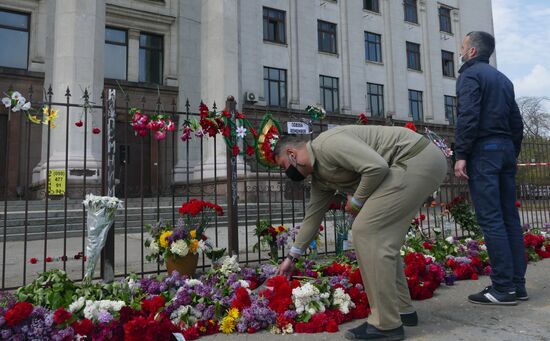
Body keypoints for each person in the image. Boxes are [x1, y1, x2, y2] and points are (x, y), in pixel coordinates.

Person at [275, 125, 447, 340]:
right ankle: (403, 311)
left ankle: (386, 324)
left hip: (415, 158)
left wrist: (356, 201)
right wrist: (292, 257)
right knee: (382, 240)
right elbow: (313, 216)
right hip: (411, 164)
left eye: (284, 166)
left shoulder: (328, 144)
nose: (287, 173)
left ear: (292, 154)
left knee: (367, 231)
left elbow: (376, 167)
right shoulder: (320, 178)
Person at [454, 31, 527, 305]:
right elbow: (516, 121)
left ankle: (502, 288)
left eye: (462, 46)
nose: (460, 51)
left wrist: (461, 154)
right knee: (509, 219)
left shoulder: (470, 76)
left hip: (484, 151)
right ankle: (517, 286)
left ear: (472, 51)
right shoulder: (503, 79)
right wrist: (511, 152)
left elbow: (468, 114)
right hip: (506, 149)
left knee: (491, 219)